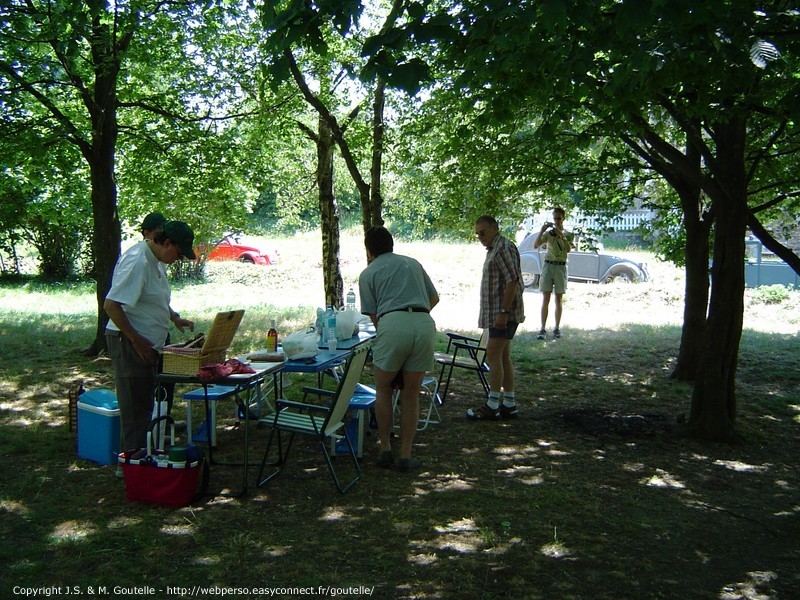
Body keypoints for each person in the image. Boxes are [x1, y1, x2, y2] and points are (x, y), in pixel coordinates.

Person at [104, 221, 196, 457]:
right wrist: (136, 340)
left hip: (146, 342)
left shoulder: (156, 260)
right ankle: (132, 464)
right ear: (166, 243)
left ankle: (144, 458)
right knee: (135, 409)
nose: (179, 258)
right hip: (129, 342)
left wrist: (174, 317)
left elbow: (156, 298)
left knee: (146, 405)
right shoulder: (138, 261)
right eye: (178, 252)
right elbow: (112, 305)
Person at [359, 226, 439, 472]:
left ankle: (385, 449)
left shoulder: (368, 273)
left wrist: (393, 327)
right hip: (424, 323)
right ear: (392, 244)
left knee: (383, 389)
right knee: (411, 394)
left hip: (392, 323)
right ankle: (405, 455)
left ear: (369, 250)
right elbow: (434, 298)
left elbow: (374, 316)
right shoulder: (412, 264)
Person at [467, 215, 525, 421]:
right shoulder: (495, 248)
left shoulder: (503, 248)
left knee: (493, 354)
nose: (480, 237)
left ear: (494, 228)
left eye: (483, 232)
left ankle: (493, 405)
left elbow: (512, 281)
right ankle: (509, 403)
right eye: (477, 234)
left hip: (503, 314)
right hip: (499, 313)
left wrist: (503, 311)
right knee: (502, 355)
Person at [533, 207, 573, 339]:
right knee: (546, 298)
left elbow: (568, 249)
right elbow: (536, 244)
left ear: (563, 218)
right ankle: (542, 328)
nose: (556, 221)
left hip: (560, 267)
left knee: (559, 298)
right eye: (554, 218)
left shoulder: (568, 234)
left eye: (559, 218)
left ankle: (556, 327)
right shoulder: (549, 234)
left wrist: (561, 235)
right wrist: (542, 230)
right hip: (549, 265)